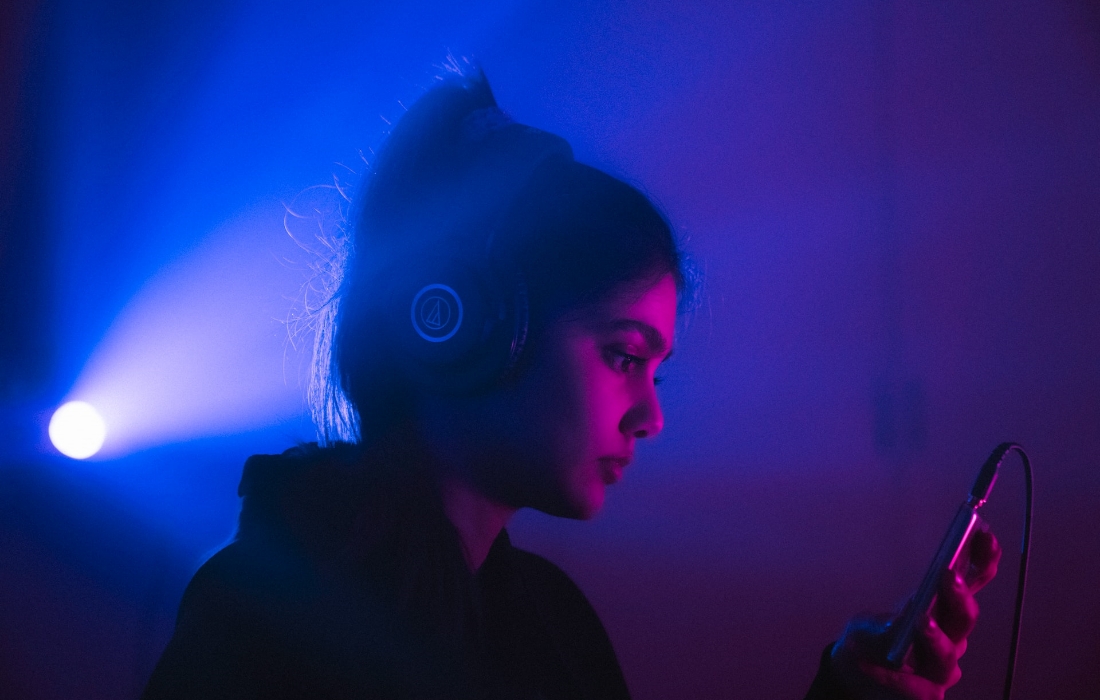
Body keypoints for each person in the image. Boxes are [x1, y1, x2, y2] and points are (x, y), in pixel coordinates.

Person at [142, 65, 1000, 700]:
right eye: (624, 356)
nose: (650, 417)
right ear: (475, 327)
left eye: (657, 369)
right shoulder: (267, 619)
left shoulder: (549, 626)